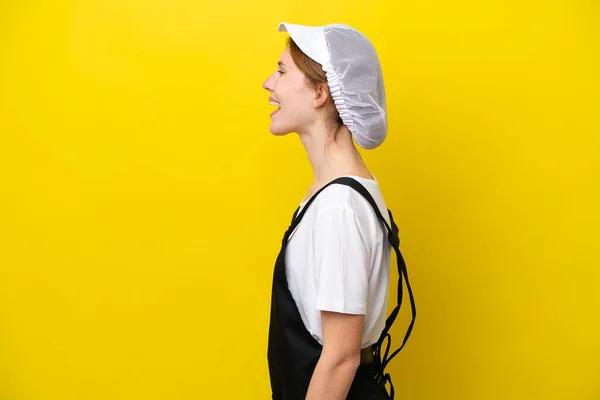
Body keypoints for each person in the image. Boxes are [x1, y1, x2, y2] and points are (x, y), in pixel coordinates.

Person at [262, 22, 416, 400]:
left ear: (319, 93)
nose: (268, 83)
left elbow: (341, 358)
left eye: (282, 71)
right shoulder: (335, 195)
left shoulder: (338, 208)